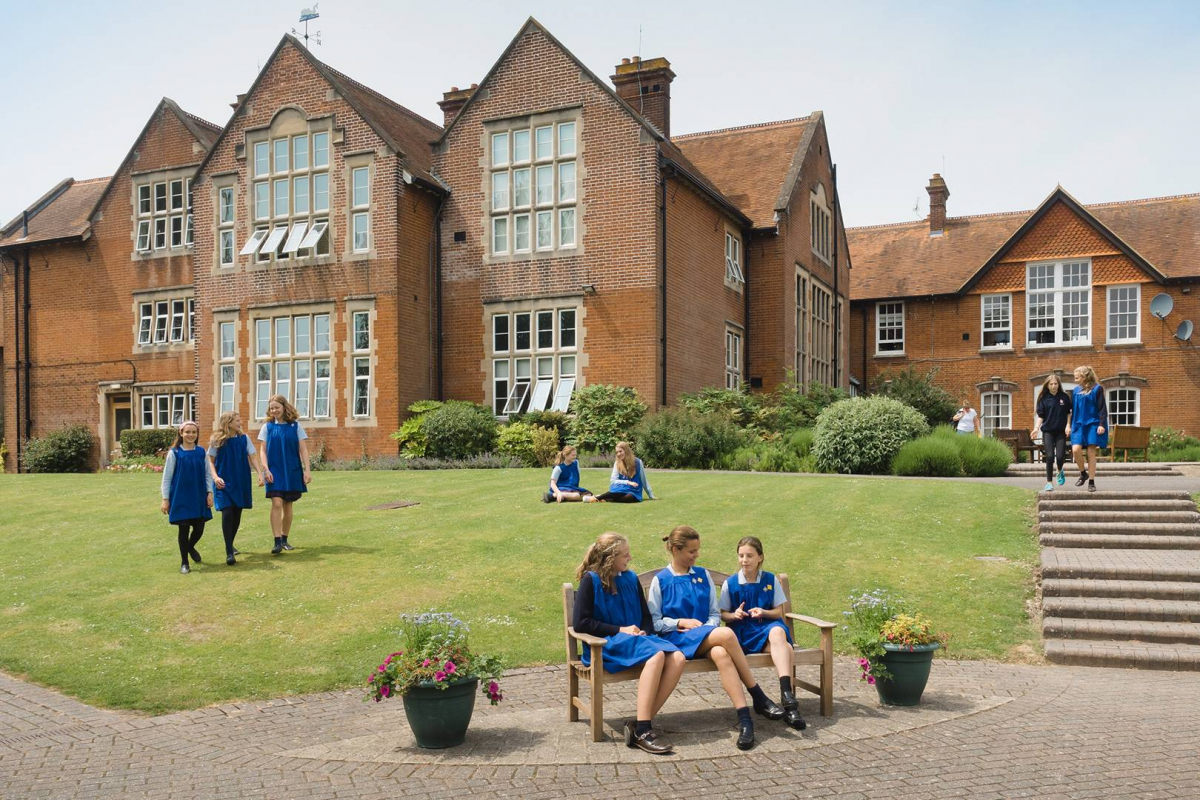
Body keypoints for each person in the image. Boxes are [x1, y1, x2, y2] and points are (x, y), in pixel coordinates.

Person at [646, 525, 785, 751]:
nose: (697, 555)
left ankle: (746, 721)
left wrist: (706, 629)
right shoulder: (660, 581)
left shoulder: (703, 576)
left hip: (706, 638)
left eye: (697, 550)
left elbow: (713, 614)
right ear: (675, 550)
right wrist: (681, 622)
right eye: (692, 551)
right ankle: (758, 695)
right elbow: (655, 623)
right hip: (678, 640)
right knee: (727, 633)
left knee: (722, 653)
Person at [573, 532, 685, 754]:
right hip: (606, 644)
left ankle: (639, 724)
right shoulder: (591, 580)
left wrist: (646, 631)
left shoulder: (631, 578)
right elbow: (581, 623)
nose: (630, 558)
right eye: (625, 554)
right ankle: (644, 731)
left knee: (679, 657)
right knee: (658, 656)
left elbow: (645, 616)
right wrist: (620, 629)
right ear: (610, 558)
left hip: (636, 641)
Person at [719, 536, 806, 730]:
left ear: (760, 557)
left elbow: (779, 612)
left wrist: (763, 611)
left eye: (749, 555)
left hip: (766, 629)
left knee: (777, 632)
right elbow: (723, 614)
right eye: (741, 556)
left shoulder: (770, 580)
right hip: (742, 633)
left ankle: (786, 696)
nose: (744, 560)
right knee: (785, 649)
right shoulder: (730, 583)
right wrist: (735, 614)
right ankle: (791, 707)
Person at [208, 411, 265, 565]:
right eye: (237, 420)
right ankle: (229, 552)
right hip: (223, 482)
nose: (240, 423)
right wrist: (215, 477)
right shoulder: (216, 440)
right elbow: (210, 461)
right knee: (227, 513)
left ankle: (230, 544)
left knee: (237, 514)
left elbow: (253, 456)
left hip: (240, 480)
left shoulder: (244, 438)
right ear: (228, 422)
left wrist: (260, 474)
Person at [258, 394, 312, 554]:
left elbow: (303, 449)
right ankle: (276, 542)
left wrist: (307, 470)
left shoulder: (296, 426)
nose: (274, 410)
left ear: (284, 407)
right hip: (274, 471)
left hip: (292, 470)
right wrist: (266, 469)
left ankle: (284, 539)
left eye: (276, 407)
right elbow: (262, 450)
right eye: (271, 408)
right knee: (276, 503)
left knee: (288, 505)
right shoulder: (267, 427)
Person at [160, 420, 214, 574]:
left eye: (194, 432)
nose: (191, 435)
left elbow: (207, 474)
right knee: (183, 529)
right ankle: (185, 562)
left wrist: (210, 492)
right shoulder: (174, 453)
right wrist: (165, 499)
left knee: (199, 528)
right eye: (187, 432)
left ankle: (189, 547)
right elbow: (167, 478)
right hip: (180, 496)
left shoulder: (201, 452)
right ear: (181, 433)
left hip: (198, 495)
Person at [1070, 366, 1108, 493]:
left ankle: (1091, 482)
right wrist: (1069, 425)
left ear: (1085, 376)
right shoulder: (1075, 391)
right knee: (1075, 450)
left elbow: (1102, 409)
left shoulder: (1097, 389)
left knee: (1091, 453)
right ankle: (1083, 473)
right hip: (1078, 425)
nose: (1075, 377)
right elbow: (1073, 410)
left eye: (1077, 375)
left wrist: (1102, 424)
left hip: (1093, 424)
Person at [1033, 375, 1073, 492]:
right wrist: (1036, 428)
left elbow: (1068, 413)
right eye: (1051, 384)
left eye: (1055, 384)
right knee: (1050, 456)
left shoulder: (1064, 397)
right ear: (1047, 385)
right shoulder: (1044, 399)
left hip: (1061, 431)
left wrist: (1068, 425)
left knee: (1060, 457)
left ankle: (1059, 470)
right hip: (1048, 431)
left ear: (1058, 384)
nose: (1053, 386)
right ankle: (1049, 483)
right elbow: (1041, 416)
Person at [583, 442, 656, 503]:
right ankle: (597, 498)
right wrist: (627, 482)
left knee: (629, 498)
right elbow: (613, 481)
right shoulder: (617, 463)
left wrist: (651, 495)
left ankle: (605, 498)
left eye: (620, 451)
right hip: (620, 488)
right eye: (617, 452)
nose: (618, 454)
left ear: (626, 451)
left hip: (633, 490)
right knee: (617, 493)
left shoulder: (638, 462)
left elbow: (644, 480)